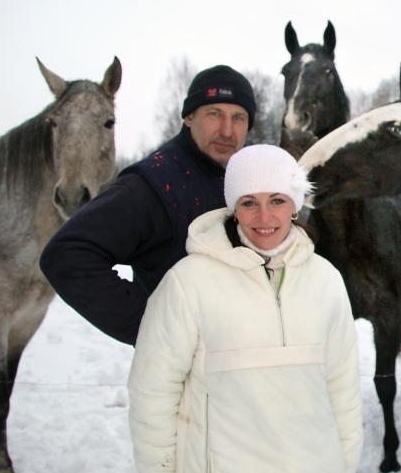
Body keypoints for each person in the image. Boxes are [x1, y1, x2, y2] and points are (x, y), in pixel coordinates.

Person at [127, 144, 362, 473]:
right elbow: (152, 397)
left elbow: (342, 387)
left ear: (294, 205)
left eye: (276, 200)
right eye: (248, 203)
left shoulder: (326, 281)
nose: (264, 216)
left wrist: (340, 470)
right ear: (233, 208)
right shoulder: (188, 284)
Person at [39, 64, 256, 346]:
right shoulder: (155, 183)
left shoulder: (236, 177)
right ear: (189, 117)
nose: (227, 130)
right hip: (183, 375)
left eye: (238, 117)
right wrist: (156, 327)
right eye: (214, 114)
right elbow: (67, 256)